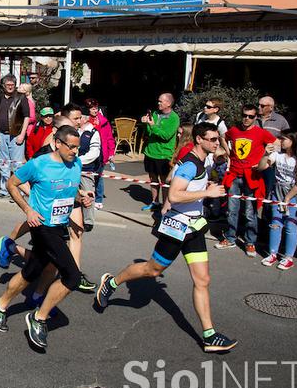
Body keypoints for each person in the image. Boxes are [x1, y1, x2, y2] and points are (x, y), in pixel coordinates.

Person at [95, 122, 237, 353]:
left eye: (216, 139)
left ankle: (209, 335)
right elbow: (174, 193)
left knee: (203, 280)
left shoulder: (203, 159)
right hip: (176, 227)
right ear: (199, 140)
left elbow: (181, 174)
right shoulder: (190, 165)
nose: (215, 143)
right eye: (212, 139)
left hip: (193, 228)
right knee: (152, 270)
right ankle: (111, 282)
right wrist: (206, 192)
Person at [0, 125, 92, 350]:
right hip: (42, 226)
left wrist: (81, 199)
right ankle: (38, 318)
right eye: (71, 147)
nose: (75, 151)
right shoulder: (38, 164)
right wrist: (28, 210)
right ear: (58, 143)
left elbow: (68, 192)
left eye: (78, 147)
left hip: (59, 225)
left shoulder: (76, 164)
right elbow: (11, 184)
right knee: (72, 277)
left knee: (31, 271)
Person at [215, 103, 276, 257]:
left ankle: (250, 242)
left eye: (250, 116)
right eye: (244, 115)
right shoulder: (234, 130)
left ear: (256, 117)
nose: (246, 119)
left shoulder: (261, 133)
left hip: (252, 177)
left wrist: (266, 157)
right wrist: (228, 151)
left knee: (250, 212)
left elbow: (275, 142)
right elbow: (223, 136)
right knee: (231, 210)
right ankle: (230, 238)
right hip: (235, 175)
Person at [255, 130, 297, 270]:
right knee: (275, 222)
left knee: (290, 224)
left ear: (293, 140)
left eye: (284, 139)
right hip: (277, 191)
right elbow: (261, 167)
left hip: (293, 192)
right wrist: (265, 154)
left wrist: (288, 197)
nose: (281, 141)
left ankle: (288, 257)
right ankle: (272, 254)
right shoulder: (276, 155)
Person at [0, 74, 30, 198]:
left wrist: (22, 134)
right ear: (3, 85)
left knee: (17, 165)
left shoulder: (21, 97)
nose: (10, 87)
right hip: (2, 135)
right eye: (7, 85)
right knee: (3, 163)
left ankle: (19, 192)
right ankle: (4, 189)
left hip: (16, 135)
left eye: (12, 85)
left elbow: (26, 117)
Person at [140, 93, 180, 211]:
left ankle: (165, 205)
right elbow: (149, 132)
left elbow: (166, 136)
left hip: (164, 154)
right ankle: (155, 202)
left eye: (161, 101)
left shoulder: (174, 118)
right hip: (150, 152)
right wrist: (146, 123)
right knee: (153, 179)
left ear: (168, 103)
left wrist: (152, 126)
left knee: (164, 181)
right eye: (158, 101)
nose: (158, 103)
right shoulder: (155, 114)